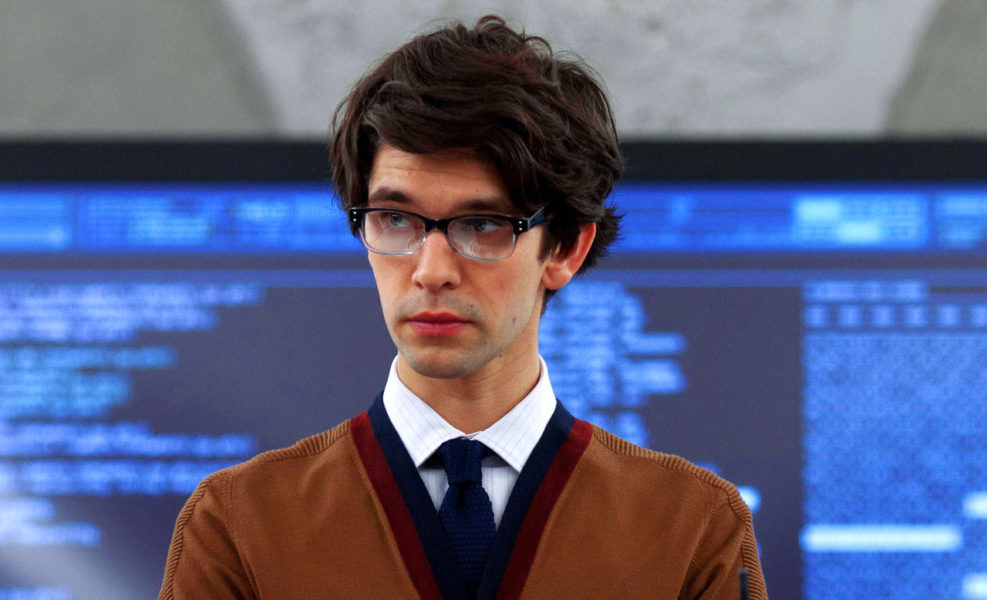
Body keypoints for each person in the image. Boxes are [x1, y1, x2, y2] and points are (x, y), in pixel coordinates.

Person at [158, 15, 767, 600]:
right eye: (395, 219)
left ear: (565, 249)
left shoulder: (692, 528)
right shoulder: (237, 525)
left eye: (481, 224)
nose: (431, 271)